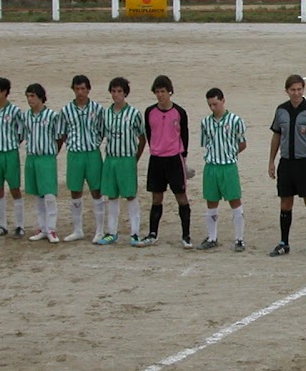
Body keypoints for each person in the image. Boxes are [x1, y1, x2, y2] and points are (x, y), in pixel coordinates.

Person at [268, 73, 306, 257]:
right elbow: (276, 136)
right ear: (286, 91)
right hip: (286, 163)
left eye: (299, 89)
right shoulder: (281, 111)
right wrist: (271, 160)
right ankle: (284, 242)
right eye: (293, 90)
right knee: (285, 202)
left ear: (303, 89)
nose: (296, 93)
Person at [137, 74, 192, 248]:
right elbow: (149, 132)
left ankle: (186, 235)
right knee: (156, 198)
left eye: (163, 91)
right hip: (156, 159)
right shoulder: (149, 112)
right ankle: (153, 234)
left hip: (174, 159)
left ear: (170, 92)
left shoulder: (179, 112)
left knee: (181, 197)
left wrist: (183, 158)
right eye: (157, 91)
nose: (160, 95)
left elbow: (184, 135)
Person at [198, 86, 248, 251]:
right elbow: (206, 144)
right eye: (210, 105)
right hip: (211, 167)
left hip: (228, 167)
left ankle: (239, 239)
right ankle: (212, 237)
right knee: (211, 202)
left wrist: (230, 154)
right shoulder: (205, 122)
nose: (213, 108)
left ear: (223, 101)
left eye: (215, 104)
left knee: (235, 201)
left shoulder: (235, 120)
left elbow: (242, 144)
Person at [98, 77, 145, 246]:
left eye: (119, 91)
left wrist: (134, 159)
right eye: (113, 91)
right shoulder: (105, 113)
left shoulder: (134, 114)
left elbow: (142, 138)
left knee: (131, 195)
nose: (116, 95)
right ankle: (112, 232)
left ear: (125, 93)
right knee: (112, 196)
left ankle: (134, 233)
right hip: (111, 159)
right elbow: (101, 134)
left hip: (127, 159)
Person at [61, 74, 108, 243]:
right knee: (75, 190)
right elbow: (63, 133)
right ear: (73, 89)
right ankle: (77, 229)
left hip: (92, 154)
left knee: (96, 190)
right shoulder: (66, 110)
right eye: (77, 89)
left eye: (83, 89)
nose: (80, 92)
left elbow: (102, 131)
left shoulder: (98, 109)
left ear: (88, 89)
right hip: (75, 154)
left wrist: (91, 143)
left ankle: (100, 230)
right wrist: (75, 143)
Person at [0, 77, 28, 238]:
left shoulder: (15, 111)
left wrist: (10, 144)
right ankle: (1, 224)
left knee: (14, 188)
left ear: (4, 92)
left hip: (10, 153)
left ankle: (19, 225)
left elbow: (21, 133)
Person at [22, 82, 66, 243]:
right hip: (32, 157)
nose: (30, 99)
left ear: (41, 97)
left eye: (32, 96)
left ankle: (52, 229)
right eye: (27, 96)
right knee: (37, 195)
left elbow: (60, 137)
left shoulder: (52, 116)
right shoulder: (25, 116)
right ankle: (41, 227)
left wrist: (53, 152)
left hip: (47, 157)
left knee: (49, 195)